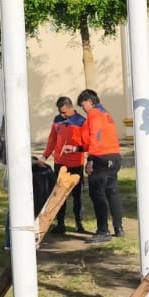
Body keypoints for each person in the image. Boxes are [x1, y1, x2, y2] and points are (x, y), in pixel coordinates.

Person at [78, 89, 124, 244]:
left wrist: (90, 158)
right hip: (114, 156)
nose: (82, 108)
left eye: (82, 104)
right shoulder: (106, 114)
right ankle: (118, 228)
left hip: (101, 157)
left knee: (97, 194)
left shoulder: (94, 114)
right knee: (112, 192)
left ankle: (103, 231)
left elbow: (95, 136)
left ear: (89, 102)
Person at [43, 96, 88, 235]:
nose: (62, 115)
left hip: (76, 164)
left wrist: (76, 149)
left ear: (70, 107)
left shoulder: (81, 121)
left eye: (64, 112)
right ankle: (60, 223)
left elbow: (86, 144)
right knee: (59, 194)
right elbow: (52, 139)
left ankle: (79, 223)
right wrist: (45, 155)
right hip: (60, 163)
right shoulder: (57, 120)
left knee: (77, 195)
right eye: (60, 112)